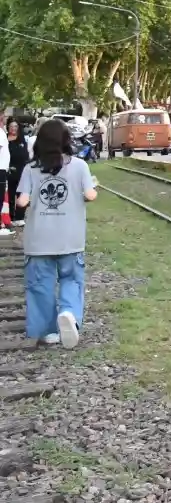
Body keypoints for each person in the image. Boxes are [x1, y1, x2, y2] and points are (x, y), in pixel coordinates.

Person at [19, 120, 99, 349]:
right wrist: (89, 191)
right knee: (71, 280)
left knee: (40, 286)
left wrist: (29, 199)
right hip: (70, 237)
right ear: (66, 141)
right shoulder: (79, 166)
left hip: (38, 240)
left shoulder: (30, 168)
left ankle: (48, 332)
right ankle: (68, 314)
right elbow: (91, 195)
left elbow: (22, 201)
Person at [8, 119, 30, 229]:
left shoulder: (22, 140)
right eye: (11, 126)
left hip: (21, 170)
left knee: (21, 194)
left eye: (15, 126)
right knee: (10, 195)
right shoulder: (5, 139)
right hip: (9, 170)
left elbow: (25, 155)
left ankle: (20, 217)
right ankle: (11, 217)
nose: (13, 128)